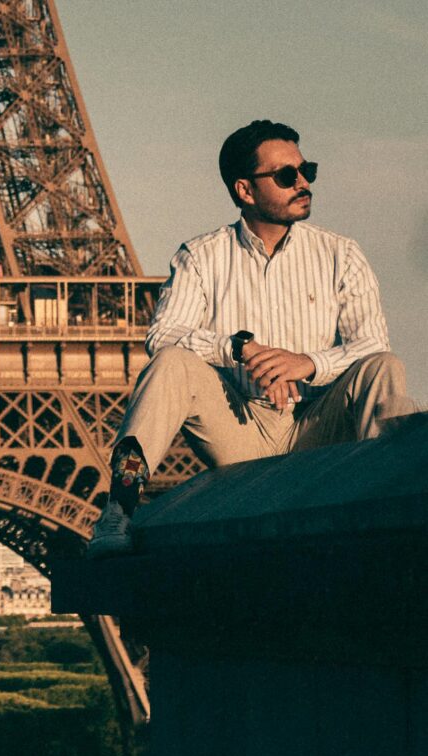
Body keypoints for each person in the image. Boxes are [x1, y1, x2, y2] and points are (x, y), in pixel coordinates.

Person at [88, 119, 412, 556]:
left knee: (383, 368)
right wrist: (240, 349)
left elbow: (373, 343)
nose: (302, 183)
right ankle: (119, 510)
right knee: (170, 363)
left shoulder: (341, 254)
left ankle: (394, 512)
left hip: (318, 421)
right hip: (241, 424)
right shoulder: (201, 257)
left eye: (306, 171)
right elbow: (163, 334)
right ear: (245, 190)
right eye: (286, 176)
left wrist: (307, 363)